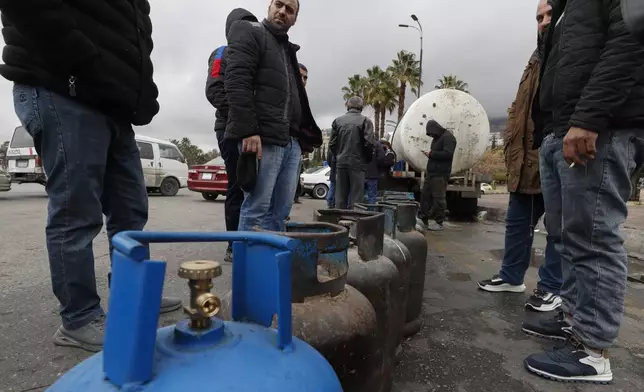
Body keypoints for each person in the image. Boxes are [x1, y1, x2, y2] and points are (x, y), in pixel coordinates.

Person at [0, 0, 181, 352]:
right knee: (76, 212)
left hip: (112, 102)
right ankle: (79, 318)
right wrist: (83, 59)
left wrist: (142, 93)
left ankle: (132, 293)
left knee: (130, 209)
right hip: (62, 86)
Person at [523, 0, 644, 383]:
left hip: (597, 127)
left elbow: (630, 41)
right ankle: (575, 323)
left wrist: (589, 118)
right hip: (563, 130)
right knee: (568, 237)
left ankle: (592, 352)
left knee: (592, 238)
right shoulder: (563, 7)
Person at [477, 0, 563, 313]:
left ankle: (553, 288)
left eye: (549, 14)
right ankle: (511, 276)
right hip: (525, 162)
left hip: (553, 155)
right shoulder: (535, 59)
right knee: (517, 223)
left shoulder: (567, 54)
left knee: (559, 228)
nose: (542, 22)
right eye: (538, 17)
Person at [224, 0, 322, 232]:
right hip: (264, 140)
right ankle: (247, 268)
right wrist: (248, 130)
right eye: (279, 4)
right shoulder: (250, 31)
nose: (282, 11)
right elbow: (237, 81)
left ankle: (266, 266)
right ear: (269, 6)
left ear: (295, 19)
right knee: (256, 209)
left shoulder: (287, 50)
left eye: (290, 10)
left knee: (280, 213)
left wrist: (302, 139)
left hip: (291, 142)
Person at [205, 8, 258, 263]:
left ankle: (254, 239)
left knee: (256, 187)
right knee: (237, 186)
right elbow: (215, 91)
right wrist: (244, 117)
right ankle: (233, 244)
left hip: (257, 133)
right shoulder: (221, 53)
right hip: (229, 129)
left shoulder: (257, 55)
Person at [329, 96, 376, 209]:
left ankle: (339, 222)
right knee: (357, 199)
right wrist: (366, 159)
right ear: (361, 107)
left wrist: (338, 156)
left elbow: (332, 144)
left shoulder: (337, 121)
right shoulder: (366, 121)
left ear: (348, 106)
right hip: (358, 164)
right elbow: (369, 144)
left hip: (341, 163)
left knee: (340, 197)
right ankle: (354, 223)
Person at [419, 120, 457, 231]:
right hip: (431, 173)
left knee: (438, 199)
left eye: (431, 133)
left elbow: (448, 154)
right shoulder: (437, 138)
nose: (431, 135)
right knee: (425, 197)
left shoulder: (449, 138)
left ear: (435, 129)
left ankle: (438, 222)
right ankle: (423, 220)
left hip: (440, 174)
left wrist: (431, 154)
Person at [294, 63, 308, 205]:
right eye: (300, 76)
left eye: (306, 78)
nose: (303, 81)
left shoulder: (301, 98)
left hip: (295, 148)